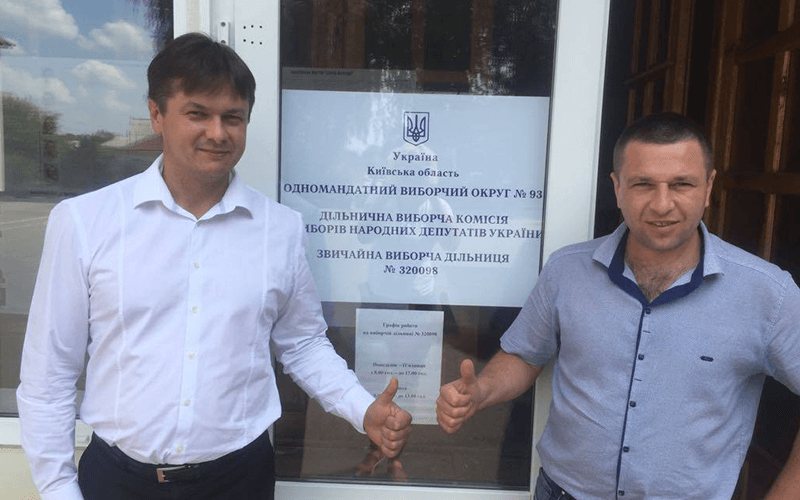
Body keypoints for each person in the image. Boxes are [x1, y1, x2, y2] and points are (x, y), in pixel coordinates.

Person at [17, 32, 411, 500]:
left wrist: (362, 408)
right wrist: (59, 489)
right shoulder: (85, 222)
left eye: (233, 117)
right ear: (157, 114)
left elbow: (302, 343)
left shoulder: (279, 229)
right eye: (197, 113)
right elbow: (49, 376)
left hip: (238, 481)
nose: (218, 133)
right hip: (118, 482)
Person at [436, 112, 800, 499]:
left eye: (681, 184)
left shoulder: (768, 293)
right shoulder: (566, 270)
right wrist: (482, 390)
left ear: (708, 187)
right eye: (643, 184)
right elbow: (526, 355)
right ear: (617, 188)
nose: (662, 204)